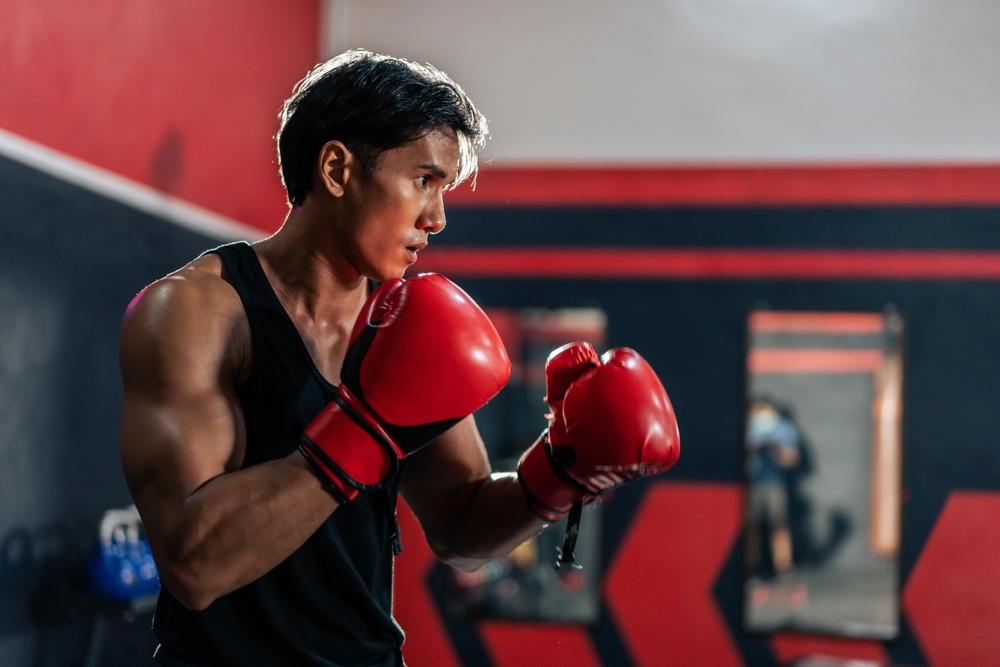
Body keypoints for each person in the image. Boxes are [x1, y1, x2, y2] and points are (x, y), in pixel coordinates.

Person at [119, 50, 679, 667]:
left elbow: (461, 528)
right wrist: (367, 427)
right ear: (337, 169)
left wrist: (561, 471)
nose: (436, 218)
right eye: (423, 181)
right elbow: (194, 564)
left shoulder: (398, 321)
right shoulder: (195, 314)